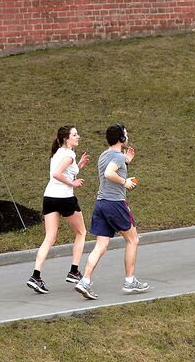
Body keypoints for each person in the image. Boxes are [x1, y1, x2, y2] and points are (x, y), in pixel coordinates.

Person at [74, 123, 149, 300]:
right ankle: (130, 281)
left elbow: (112, 165)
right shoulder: (117, 157)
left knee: (101, 245)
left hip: (101, 203)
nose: (127, 136)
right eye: (126, 134)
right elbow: (109, 173)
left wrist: (127, 161)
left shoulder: (105, 155)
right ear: (121, 138)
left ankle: (84, 281)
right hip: (115, 204)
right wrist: (124, 182)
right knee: (133, 240)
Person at [26, 125, 90, 294]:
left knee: (49, 238)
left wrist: (80, 166)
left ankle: (35, 276)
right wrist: (73, 183)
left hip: (49, 198)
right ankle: (74, 271)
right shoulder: (69, 154)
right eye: (75, 135)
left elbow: (64, 172)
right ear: (65, 139)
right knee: (81, 232)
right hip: (64, 198)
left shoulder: (58, 153)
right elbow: (57, 174)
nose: (78, 137)